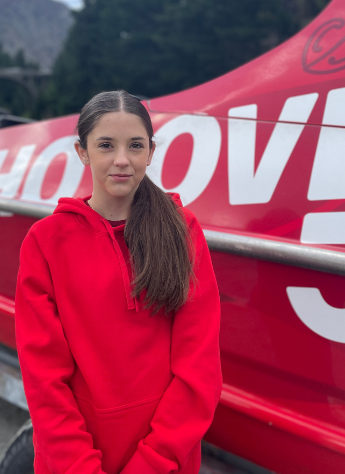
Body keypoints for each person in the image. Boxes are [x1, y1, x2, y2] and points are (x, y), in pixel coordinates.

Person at [15, 90, 222, 474]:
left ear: (151, 151)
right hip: (73, 460)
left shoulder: (182, 229)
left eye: (136, 145)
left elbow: (199, 367)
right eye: (106, 145)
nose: (122, 159)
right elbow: (44, 380)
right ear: (82, 152)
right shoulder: (45, 242)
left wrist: (152, 462)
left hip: (165, 459)